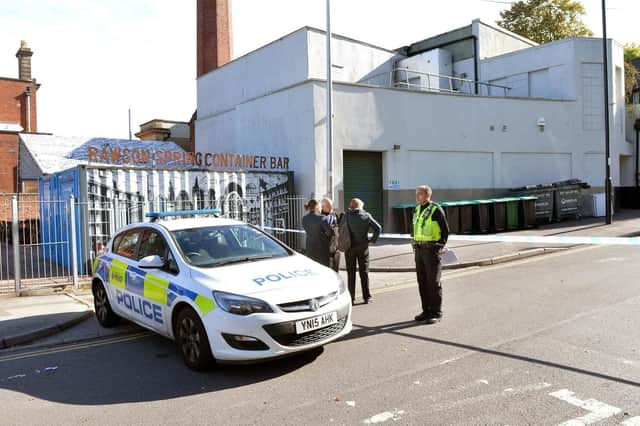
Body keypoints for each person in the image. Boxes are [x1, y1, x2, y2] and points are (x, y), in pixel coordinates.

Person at [412, 185, 449, 324]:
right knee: (422, 281)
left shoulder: (436, 209)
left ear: (427, 195)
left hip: (431, 250)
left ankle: (436, 312)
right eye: (416, 194)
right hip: (419, 250)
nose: (417, 196)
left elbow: (445, 231)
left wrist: (438, 246)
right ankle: (426, 310)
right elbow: (415, 227)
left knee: (433, 282)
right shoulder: (416, 209)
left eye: (419, 194)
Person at [344, 198, 381, 305]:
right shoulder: (366, 215)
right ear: (360, 206)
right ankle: (367, 297)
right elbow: (378, 228)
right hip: (363, 247)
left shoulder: (346, 216)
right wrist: (372, 240)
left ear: (351, 206)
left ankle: (351, 298)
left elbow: (341, 230)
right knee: (364, 273)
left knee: (351, 274)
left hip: (349, 248)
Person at [302, 198, 333, 267]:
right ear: (317, 207)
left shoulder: (304, 218)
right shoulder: (322, 218)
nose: (321, 209)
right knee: (325, 269)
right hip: (322, 249)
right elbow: (330, 232)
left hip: (310, 248)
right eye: (320, 207)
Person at [321, 197, 340, 272]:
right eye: (329, 206)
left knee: (336, 272)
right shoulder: (320, 217)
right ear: (323, 206)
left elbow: (338, 229)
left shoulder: (334, 214)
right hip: (325, 252)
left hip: (336, 249)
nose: (331, 207)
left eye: (331, 205)